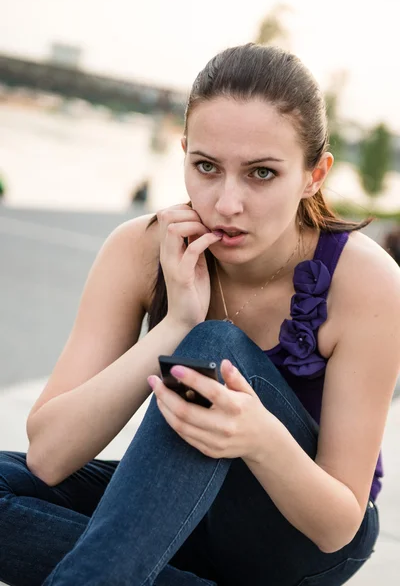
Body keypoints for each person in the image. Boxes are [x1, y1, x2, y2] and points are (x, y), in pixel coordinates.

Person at [1, 44, 399, 586]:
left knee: (215, 350)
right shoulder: (138, 250)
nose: (227, 202)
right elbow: (49, 456)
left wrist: (258, 437)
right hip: (177, 507)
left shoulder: (369, 285)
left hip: (295, 537)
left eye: (261, 174)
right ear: (184, 153)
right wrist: (174, 324)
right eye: (207, 167)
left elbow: (337, 525)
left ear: (314, 174)